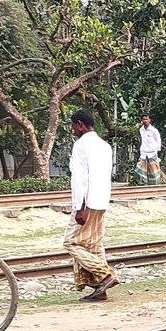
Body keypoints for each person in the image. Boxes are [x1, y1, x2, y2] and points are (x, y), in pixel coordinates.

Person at [66, 109, 119, 302]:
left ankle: (105, 275)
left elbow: (81, 179)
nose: (73, 130)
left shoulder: (81, 145)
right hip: (101, 201)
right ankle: (100, 288)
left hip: (86, 203)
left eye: (73, 126)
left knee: (70, 242)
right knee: (94, 245)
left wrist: (81, 207)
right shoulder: (104, 146)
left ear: (80, 124)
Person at [137, 114, 164, 184]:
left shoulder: (154, 130)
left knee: (153, 172)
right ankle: (143, 184)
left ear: (149, 120)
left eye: (146, 119)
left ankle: (154, 185)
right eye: (144, 119)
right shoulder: (141, 130)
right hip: (144, 153)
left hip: (152, 153)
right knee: (139, 170)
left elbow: (158, 140)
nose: (145, 121)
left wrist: (157, 150)